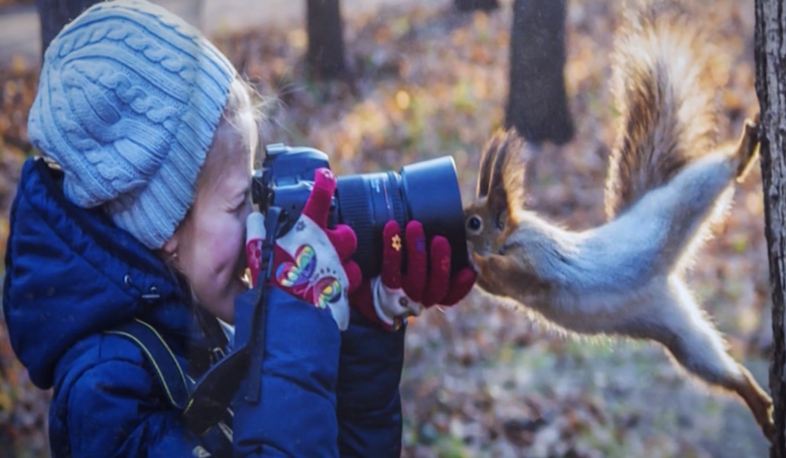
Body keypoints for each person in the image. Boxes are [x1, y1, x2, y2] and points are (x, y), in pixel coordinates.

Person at [2, 1, 476, 457]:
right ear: (164, 226)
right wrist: (292, 336)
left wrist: (361, 332)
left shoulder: (190, 321)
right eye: (236, 205)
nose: (258, 227)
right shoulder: (106, 388)